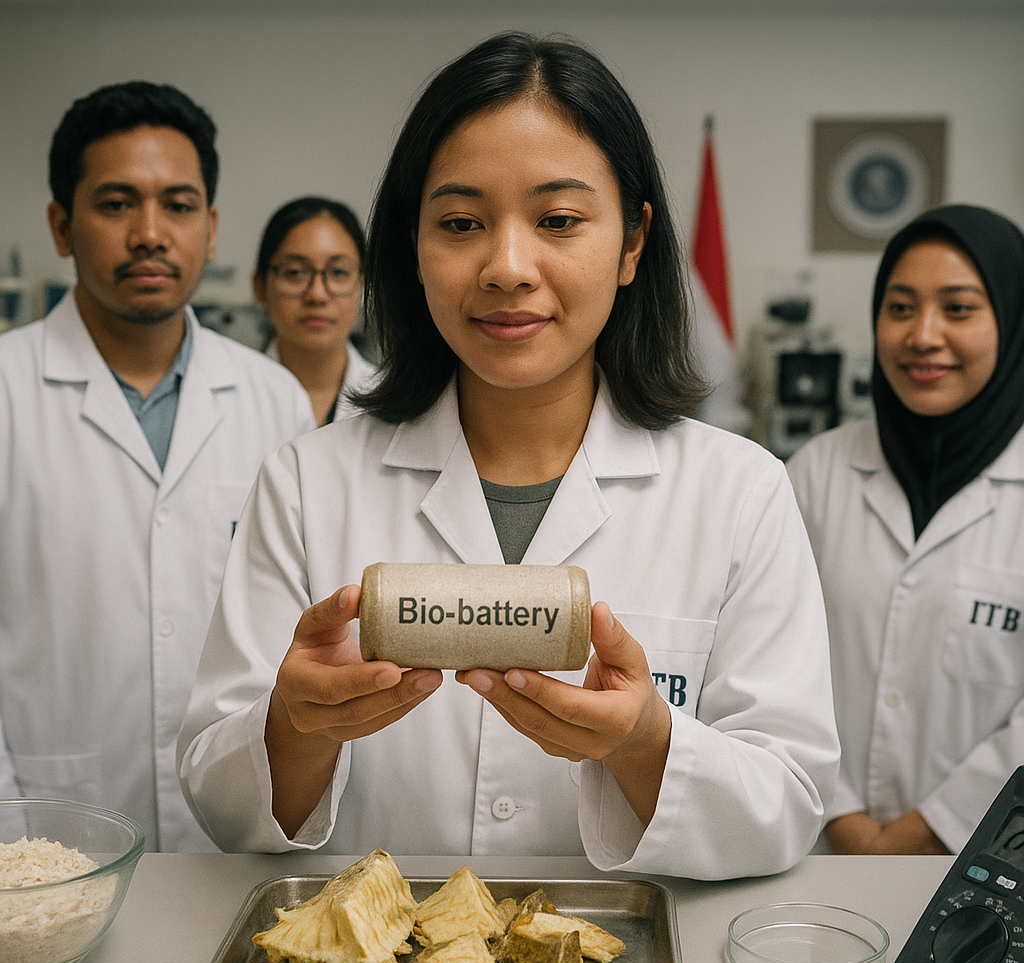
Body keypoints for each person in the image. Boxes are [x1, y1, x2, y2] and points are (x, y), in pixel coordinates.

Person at [177, 31, 839, 879]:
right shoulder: (306, 483)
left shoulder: (741, 492)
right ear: (413, 246)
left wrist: (645, 740)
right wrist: (295, 727)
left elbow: (788, 805)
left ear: (633, 242)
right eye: (461, 223)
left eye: (559, 220)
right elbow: (222, 805)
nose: (507, 267)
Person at [0, 81, 316, 851]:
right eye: (115, 204)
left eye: (177, 206)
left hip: (239, 837)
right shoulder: (8, 391)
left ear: (210, 229)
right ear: (61, 225)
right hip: (44, 836)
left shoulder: (274, 401)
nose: (149, 233)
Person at [787, 204, 1024, 855]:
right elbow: (766, 663)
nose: (923, 335)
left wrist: (925, 833)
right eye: (899, 308)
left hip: (980, 860)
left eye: (958, 308)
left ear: (1011, 320)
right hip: (813, 845)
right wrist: (843, 818)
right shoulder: (815, 474)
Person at [253, 197, 377, 425]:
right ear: (259, 287)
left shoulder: (392, 400)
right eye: (295, 273)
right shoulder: (236, 396)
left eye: (338, 272)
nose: (317, 295)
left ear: (362, 284)